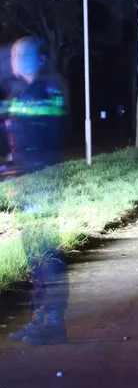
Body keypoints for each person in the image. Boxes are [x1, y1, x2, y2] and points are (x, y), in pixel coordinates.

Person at [6, 36, 69, 345]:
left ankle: (53, 321)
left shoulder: (48, 87)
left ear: (38, 58)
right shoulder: (25, 91)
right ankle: (39, 316)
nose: (14, 61)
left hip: (42, 179)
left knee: (45, 249)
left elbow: (48, 133)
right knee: (34, 251)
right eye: (14, 56)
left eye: (22, 55)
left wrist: (28, 165)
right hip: (28, 179)